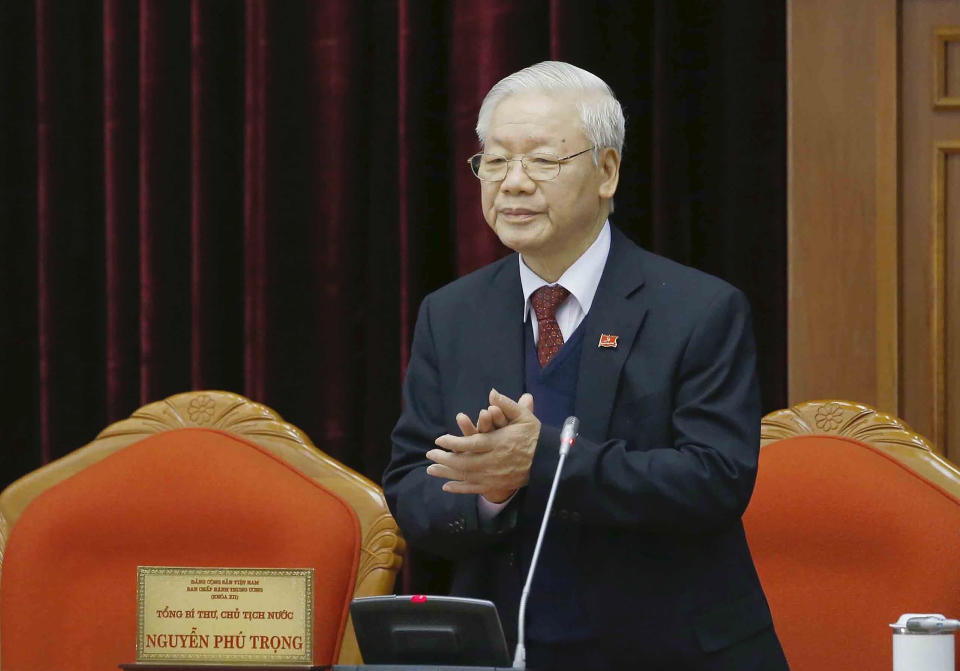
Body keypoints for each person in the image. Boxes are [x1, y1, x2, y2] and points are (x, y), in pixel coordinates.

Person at [382, 61, 787, 671]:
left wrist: (543, 461)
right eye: (494, 162)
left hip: (667, 648)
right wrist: (489, 494)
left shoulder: (699, 308)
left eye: (542, 160)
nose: (513, 184)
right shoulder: (452, 313)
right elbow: (412, 487)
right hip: (503, 649)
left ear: (606, 171)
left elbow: (715, 480)